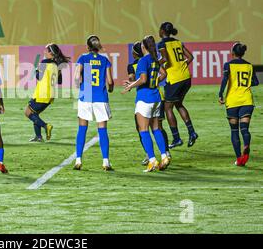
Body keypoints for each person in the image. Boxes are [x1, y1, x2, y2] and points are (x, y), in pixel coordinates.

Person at [122, 36, 169, 172]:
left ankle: (153, 160)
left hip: (145, 98)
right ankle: (164, 156)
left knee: (143, 130)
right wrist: (154, 82)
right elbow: (164, 74)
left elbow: (143, 79)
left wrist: (131, 85)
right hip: (156, 98)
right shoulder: (154, 59)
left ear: (143, 47)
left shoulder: (143, 61)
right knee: (156, 129)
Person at [73, 35, 114, 171]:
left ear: (88, 47)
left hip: (87, 95)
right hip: (100, 97)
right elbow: (110, 81)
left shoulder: (83, 58)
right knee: (102, 129)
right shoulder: (104, 60)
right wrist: (111, 89)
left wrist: (80, 87)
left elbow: (77, 77)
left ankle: (78, 159)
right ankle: (106, 162)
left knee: (82, 128)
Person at [158, 22, 198, 149]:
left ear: (162, 31)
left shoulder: (162, 44)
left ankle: (176, 138)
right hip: (186, 77)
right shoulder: (178, 42)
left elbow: (165, 59)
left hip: (174, 80)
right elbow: (190, 57)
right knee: (178, 103)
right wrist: (181, 66)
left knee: (167, 108)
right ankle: (192, 132)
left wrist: (154, 63)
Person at [219, 42, 259, 166]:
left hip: (233, 101)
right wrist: (245, 84)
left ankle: (239, 159)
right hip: (247, 100)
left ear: (233, 53)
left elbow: (225, 80)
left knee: (234, 131)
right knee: (245, 129)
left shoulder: (228, 65)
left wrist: (220, 94)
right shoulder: (249, 66)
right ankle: (246, 145)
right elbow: (256, 82)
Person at [25, 43, 70, 142]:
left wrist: (36, 70)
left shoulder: (44, 62)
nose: (44, 51)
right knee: (35, 114)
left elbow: (38, 77)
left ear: (50, 52)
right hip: (51, 94)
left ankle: (46, 126)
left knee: (28, 112)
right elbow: (59, 81)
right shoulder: (56, 65)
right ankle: (39, 137)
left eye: (46, 50)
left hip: (42, 93)